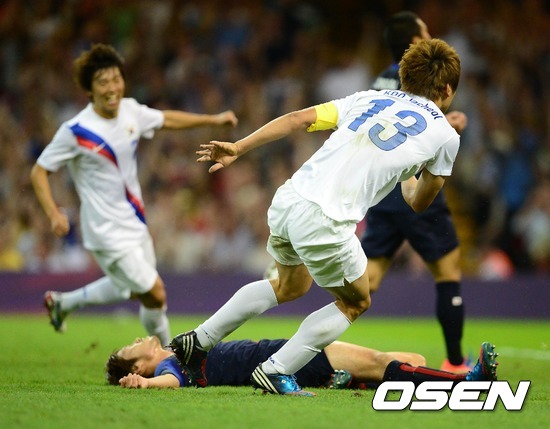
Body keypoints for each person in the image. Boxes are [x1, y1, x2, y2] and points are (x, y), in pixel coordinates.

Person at [170, 38, 463, 396]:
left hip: (289, 199)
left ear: (405, 78)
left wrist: (239, 147)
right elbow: (418, 203)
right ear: (447, 89)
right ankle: (277, 369)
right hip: (326, 221)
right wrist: (413, 168)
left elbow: (297, 119)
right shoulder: (445, 136)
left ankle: (199, 339)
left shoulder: (367, 98)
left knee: (288, 285)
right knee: (356, 301)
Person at [30, 44, 238, 346]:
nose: (112, 88)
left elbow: (166, 119)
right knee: (155, 292)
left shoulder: (130, 111)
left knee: (131, 289)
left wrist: (213, 120)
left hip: (135, 222)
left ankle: (62, 303)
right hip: (104, 230)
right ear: (89, 89)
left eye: (116, 79)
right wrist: (53, 214)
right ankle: (170, 355)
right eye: (103, 82)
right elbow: (39, 171)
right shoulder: (76, 131)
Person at [362, 11, 470, 373]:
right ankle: (455, 362)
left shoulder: (379, 79)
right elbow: (420, 127)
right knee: (447, 272)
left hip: (381, 190)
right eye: (424, 32)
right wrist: (449, 123)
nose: (430, 35)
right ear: (414, 42)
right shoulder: (417, 79)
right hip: (414, 184)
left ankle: (320, 351)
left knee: (366, 283)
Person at [106, 336, 498, 390]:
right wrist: (146, 385)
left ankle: (352, 382)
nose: (138, 339)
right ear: (137, 367)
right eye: (131, 347)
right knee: (382, 361)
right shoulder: (169, 368)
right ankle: (466, 382)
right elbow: (173, 382)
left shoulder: (177, 353)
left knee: (412, 360)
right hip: (284, 358)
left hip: (283, 354)